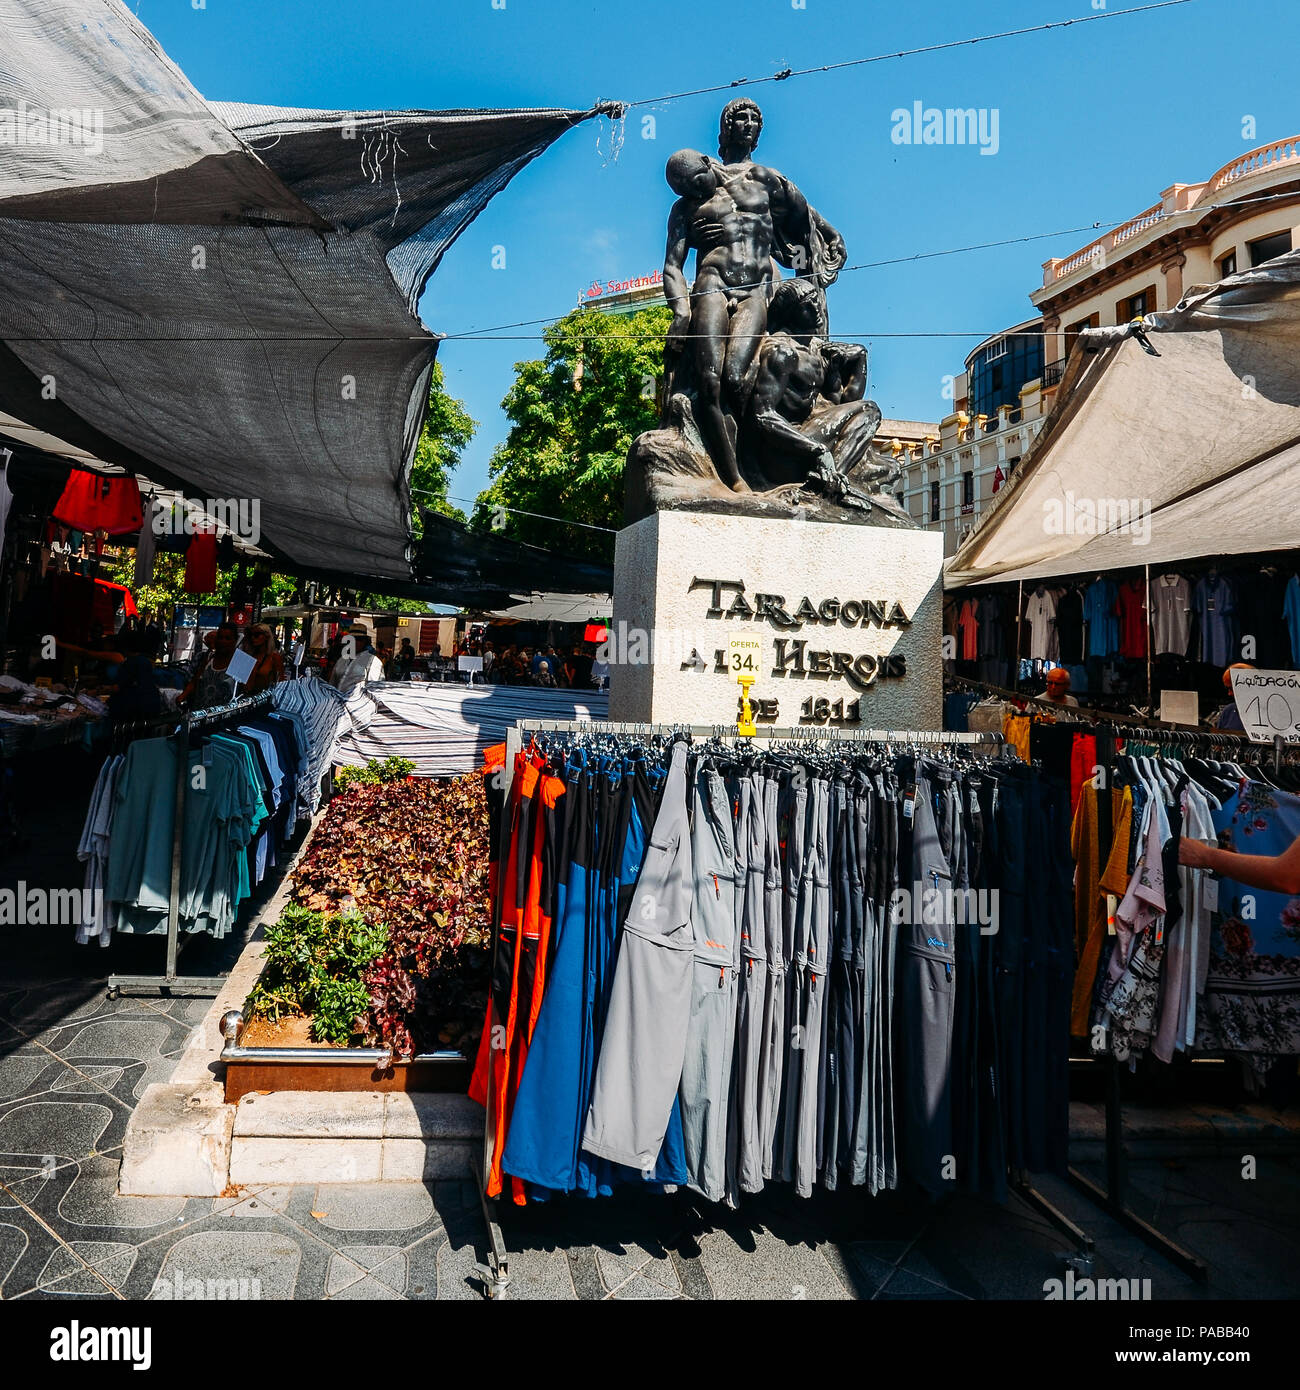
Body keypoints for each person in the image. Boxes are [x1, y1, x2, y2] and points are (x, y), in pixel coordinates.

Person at [181, 621, 239, 710]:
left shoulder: (241, 660)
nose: (223, 641)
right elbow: (195, 680)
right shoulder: (210, 656)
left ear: (235, 640)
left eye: (227, 638)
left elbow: (245, 692)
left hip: (225, 713)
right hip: (200, 711)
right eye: (220, 637)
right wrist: (183, 696)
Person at [329, 623, 385, 696]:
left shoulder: (373, 662)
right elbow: (332, 683)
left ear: (365, 641)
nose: (354, 642)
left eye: (359, 639)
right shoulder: (342, 660)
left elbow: (374, 690)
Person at [241, 623, 285, 695]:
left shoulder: (274, 658)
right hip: (244, 697)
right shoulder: (248, 656)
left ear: (267, 636)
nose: (253, 638)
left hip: (264, 697)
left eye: (257, 635)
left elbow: (280, 683)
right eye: (251, 635)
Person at [1215, 662, 1253, 731]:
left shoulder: (1267, 712)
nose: (1229, 693)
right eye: (1227, 688)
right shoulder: (1228, 711)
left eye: (1231, 688)